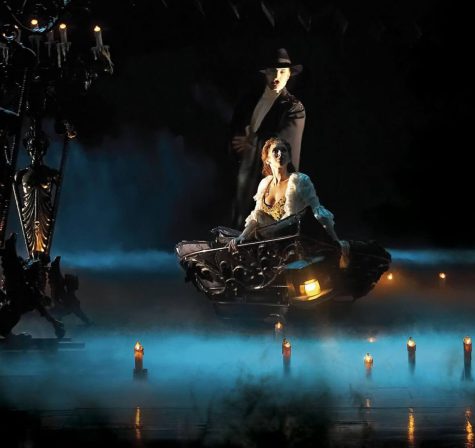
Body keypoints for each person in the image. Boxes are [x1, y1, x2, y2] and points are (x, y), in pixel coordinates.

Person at [228, 137, 349, 267]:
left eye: (284, 150)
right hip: (269, 241)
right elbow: (257, 216)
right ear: (267, 159)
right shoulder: (264, 183)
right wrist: (242, 236)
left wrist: (336, 241)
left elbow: (317, 211)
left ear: (289, 158)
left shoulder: (300, 180)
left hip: (291, 237)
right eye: (275, 151)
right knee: (229, 235)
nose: (280, 154)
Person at [230, 48, 305, 228]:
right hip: (246, 171)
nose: (276, 76)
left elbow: (284, 144)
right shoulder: (251, 101)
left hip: (271, 180)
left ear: (289, 75)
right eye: (272, 71)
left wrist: (252, 142)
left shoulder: (293, 108)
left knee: (264, 225)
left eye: (282, 72)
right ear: (265, 73)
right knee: (241, 220)